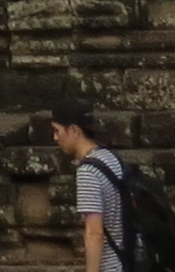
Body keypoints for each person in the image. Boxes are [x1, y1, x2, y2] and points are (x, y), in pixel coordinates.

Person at [49, 103, 125, 272]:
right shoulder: (110, 157)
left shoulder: (88, 172)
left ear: (74, 130)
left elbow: (94, 233)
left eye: (57, 130)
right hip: (128, 260)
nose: (55, 137)